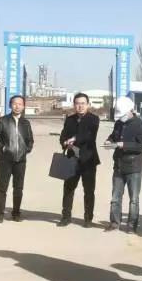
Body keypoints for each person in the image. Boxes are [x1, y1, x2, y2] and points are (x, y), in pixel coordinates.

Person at [105, 95, 142, 233]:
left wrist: (124, 145)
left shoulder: (140, 125)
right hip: (118, 165)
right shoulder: (118, 123)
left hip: (133, 167)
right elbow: (114, 136)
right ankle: (114, 223)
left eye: (123, 115)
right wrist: (109, 140)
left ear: (130, 110)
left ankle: (131, 225)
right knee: (115, 198)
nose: (121, 118)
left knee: (134, 199)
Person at [0, 94, 34, 223]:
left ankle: (16, 213)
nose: (17, 106)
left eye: (20, 104)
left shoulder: (26, 123)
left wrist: (27, 149)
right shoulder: (2, 121)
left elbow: (30, 140)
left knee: (18, 188)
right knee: (2, 187)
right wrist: (2, 147)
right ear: (10, 105)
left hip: (21, 160)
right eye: (15, 103)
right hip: (6, 160)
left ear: (23, 106)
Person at [59, 93, 101, 227]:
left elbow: (89, 136)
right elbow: (63, 135)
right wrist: (65, 143)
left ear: (88, 105)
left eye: (83, 103)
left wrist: (74, 139)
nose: (80, 106)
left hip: (88, 160)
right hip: (72, 159)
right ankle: (66, 217)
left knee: (89, 190)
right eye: (77, 103)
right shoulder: (70, 119)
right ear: (74, 105)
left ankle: (88, 218)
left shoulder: (94, 119)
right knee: (68, 189)